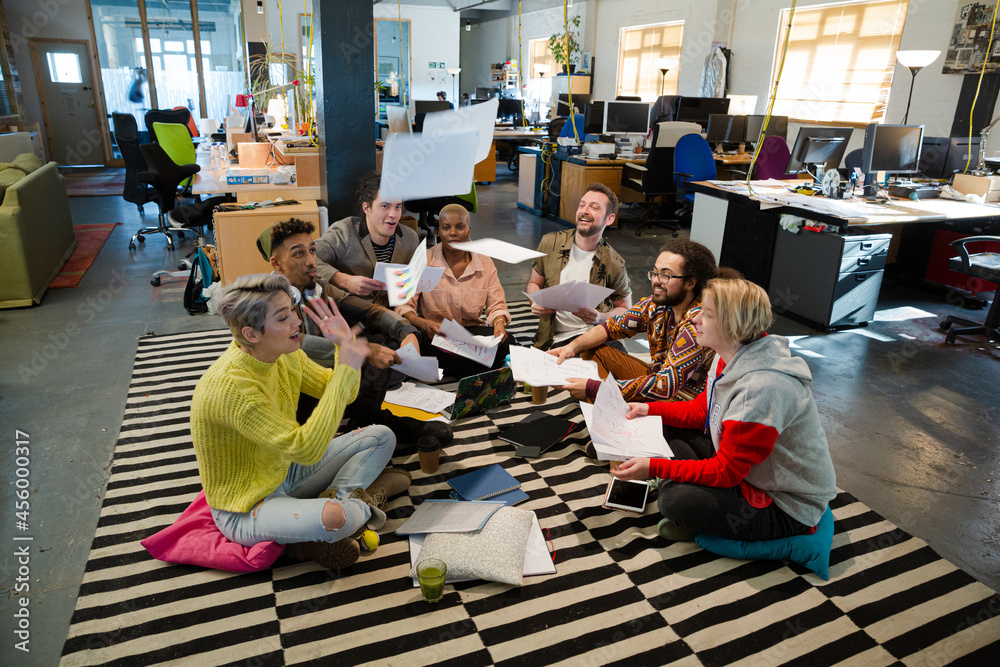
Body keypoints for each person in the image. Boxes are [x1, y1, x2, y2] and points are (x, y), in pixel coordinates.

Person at [191, 274, 411, 570]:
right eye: (283, 318)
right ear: (251, 334)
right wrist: (346, 365)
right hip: (245, 508)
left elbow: (345, 395)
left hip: (283, 470)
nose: (297, 323)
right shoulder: (232, 387)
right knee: (336, 518)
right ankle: (354, 507)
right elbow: (306, 448)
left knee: (382, 436)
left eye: (292, 310)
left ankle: (337, 502)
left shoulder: (284, 355)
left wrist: (342, 347)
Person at [611, 278, 837, 543]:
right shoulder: (727, 354)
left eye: (707, 315)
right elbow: (703, 411)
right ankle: (689, 505)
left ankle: (693, 514)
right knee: (659, 423)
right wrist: (648, 408)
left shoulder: (762, 388)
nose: (695, 319)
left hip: (785, 502)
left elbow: (727, 473)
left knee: (673, 501)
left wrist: (656, 467)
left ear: (733, 326)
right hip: (748, 471)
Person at [259, 219, 451, 445]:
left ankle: (368, 422)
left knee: (382, 340)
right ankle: (351, 433)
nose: (311, 261)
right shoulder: (264, 301)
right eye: (298, 254)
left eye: (312, 250)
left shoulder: (318, 287)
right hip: (290, 394)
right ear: (276, 263)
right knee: (369, 349)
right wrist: (364, 350)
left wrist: (405, 330)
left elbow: (368, 310)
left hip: (327, 381)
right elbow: (296, 344)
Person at [550, 239, 719, 403]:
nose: (655, 281)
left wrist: (597, 388)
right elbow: (610, 327)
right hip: (658, 377)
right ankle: (605, 412)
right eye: (655, 272)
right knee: (589, 348)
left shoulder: (698, 324)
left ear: (690, 283)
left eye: (666, 275)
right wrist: (571, 347)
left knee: (596, 386)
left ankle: (608, 416)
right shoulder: (656, 305)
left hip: (680, 401)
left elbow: (666, 386)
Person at [396, 204, 511, 378]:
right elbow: (404, 305)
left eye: (460, 227)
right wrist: (423, 323)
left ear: (469, 230)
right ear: (438, 231)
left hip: (470, 334)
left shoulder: (485, 263)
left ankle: (446, 368)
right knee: (413, 341)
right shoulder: (423, 259)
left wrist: (499, 324)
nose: (453, 233)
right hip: (434, 334)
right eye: (446, 227)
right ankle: (474, 368)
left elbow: (496, 304)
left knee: (508, 342)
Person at [526, 183, 632, 350]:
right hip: (558, 338)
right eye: (582, 205)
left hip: (597, 335)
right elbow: (534, 283)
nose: (584, 211)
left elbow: (625, 309)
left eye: (594, 207)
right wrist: (535, 300)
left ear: (609, 219)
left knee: (623, 370)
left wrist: (600, 317)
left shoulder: (614, 262)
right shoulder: (550, 243)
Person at [315, 171, 420, 312]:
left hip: (390, 317)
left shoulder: (410, 238)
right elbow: (308, 259)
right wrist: (343, 280)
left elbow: (408, 291)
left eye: (398, 207)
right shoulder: (344, 232)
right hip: (350, 316)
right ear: (366, 208)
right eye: (385, 206)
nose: (393, 215)